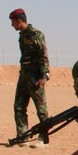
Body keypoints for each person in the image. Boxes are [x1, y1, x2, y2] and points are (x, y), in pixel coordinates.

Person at [9, 8, 49, 146]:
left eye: (13, 22)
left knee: (41, 109)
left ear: (19, 21)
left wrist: (44, 76)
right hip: (24, 75)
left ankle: (43, 139)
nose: (11, 25)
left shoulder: (36, 34)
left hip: (35, 76)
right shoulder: (22, 34)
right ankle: (23, 136)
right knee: (19, 106)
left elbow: (43, 56)